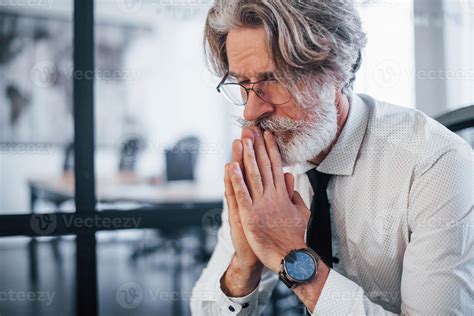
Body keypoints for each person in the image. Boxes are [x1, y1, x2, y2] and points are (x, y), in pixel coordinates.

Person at [191, 1, 473, 315]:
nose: (250, 111)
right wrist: (244, 264)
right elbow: (203, 309)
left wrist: (294, 256)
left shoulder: (435, 163)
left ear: (336, 71)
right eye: (243, 83)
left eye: (275, 81)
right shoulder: (262, 168)